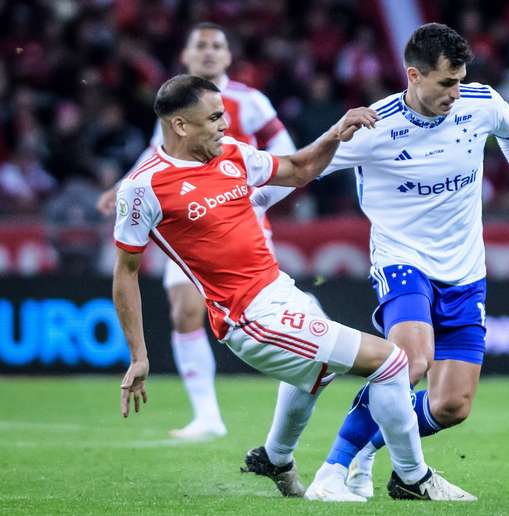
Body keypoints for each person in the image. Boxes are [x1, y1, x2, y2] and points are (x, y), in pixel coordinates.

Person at [251, 23, 509, 500]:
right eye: (446, 82)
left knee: (452, 405)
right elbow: (302, 170)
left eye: (460, 79)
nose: (456, 91)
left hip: (466, 269)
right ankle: (334, 468)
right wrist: (248, 207)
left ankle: (374, 459)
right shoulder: (375, 128)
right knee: (409, 362)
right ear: (414, 75)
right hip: (401, 258)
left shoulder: (482, 104)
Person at [113, 74, 476, 503]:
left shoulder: (232, 155)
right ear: (179, 125)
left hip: (280, 290)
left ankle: (274, 456)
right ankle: (413, 478)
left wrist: (336, 132)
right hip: (247, 317)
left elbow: (300, 168)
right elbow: (126, 271)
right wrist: (139, 355)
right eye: (213, 118)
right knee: (393, 362)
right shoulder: (143, 187)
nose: (223, 125)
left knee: (314, 375)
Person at [98, 22, 297, 441]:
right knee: (184, 312)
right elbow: (158, 157)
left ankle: (306, 343)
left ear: (228, 56)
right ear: (187, 56)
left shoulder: (249, 100)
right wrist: (122, 187)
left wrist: (257, 196)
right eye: (200, 45)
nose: (209, 51)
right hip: (185, 221)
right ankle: (208, 416)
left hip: (234, 218)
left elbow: (286, 153)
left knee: (256, 310)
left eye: (217, 45)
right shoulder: (178, 108)